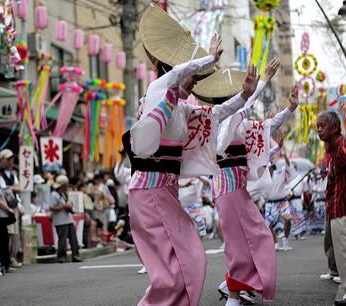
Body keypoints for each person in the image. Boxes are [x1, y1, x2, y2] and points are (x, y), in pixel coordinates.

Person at [126, 4, 265, 305]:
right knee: (178, 267)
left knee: (186, 262)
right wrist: (207, 59)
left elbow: (217, 114)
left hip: (162, 190)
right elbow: (177, 72)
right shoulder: (158, 90)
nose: (194, 83)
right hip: (149, 190)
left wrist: (244, 94)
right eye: (194, 78)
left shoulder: (179, 107)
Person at [197, 59, 299, 305]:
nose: (243, 96)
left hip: (236, 190)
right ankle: (233, 294)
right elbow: (244, 106)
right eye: (238, 94)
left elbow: (266, 126)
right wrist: (262, 82)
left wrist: (290, 109)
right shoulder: (219, 120)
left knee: (253, 239)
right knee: (242, 243)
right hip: (227, 189)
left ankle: (232, 286)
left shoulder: (238, 122)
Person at [316, 110, 346, 306]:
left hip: (342, 209)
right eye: (318, 126)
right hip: (336, 208)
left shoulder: (342, 147)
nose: (319, 130)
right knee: (341, 253)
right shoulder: (332, 148)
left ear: (335, 127)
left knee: (343, 253)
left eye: (323, 126)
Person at [265, 144, 295, 251]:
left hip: (281, 202)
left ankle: (285, 241)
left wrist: (284, 155)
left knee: (287, 219)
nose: (267, 169)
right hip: (269, 203)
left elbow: (288, 166)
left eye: (269, 167)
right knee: (268, 225)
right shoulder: (263, 177)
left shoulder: (280, 173)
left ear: (273, 167)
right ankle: (275, 242)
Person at [0, 149, 23, 269]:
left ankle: (12, 257)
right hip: (4, 207)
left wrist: (10, 188)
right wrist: (12, 188)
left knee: (15, 234)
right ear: (2, 160)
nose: (11, 161)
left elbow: (18, 189)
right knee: (7, 233)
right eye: (8, 159)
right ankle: (6, 259)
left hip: (14, 206)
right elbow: (2, 189)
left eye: (12, 159)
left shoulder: (13, 174)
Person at [50, 175, 81, 263]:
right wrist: (64, 206)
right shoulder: (54, 194)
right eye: (66, 184)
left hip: (68, 219)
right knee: (62, 239)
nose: (67, 186)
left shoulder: (64, 194)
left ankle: (75, 255)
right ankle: (61, 257)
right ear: (63, 185)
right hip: (60, 221)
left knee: (73, 239)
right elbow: (52, 207)